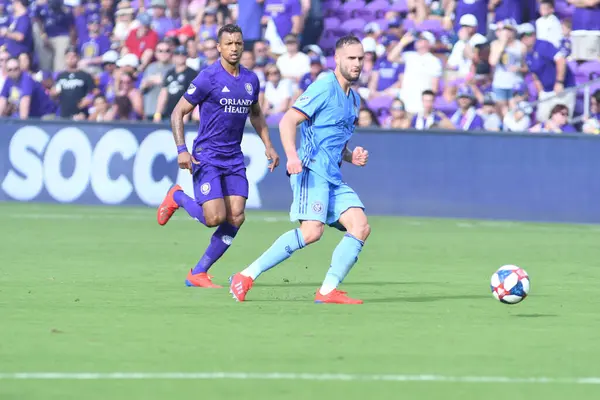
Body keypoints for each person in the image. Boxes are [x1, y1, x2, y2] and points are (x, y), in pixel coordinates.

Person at [229, 35, 371, 305]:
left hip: (333, 176)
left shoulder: (353, 100)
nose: (357, 64)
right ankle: (245, 276)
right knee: (311, 231)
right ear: (338, 59)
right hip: (310, 171)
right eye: (351, 58)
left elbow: (335, 142)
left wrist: (352, 156)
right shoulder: (324, 86)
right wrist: (292, 156)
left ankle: (328, 290)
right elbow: (288, 121)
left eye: (361, 58)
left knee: (360, 226)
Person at [156, 24, 280, 288]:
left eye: (238, 43)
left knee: (236, 216)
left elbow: (255, 113)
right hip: (207, 156)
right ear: (219, 48)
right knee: (213, 218)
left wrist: (268, 145)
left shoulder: (250, 80)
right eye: (229, 44)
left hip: (233, 157)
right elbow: (178, 112)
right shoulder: (207, 78)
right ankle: (176, 196)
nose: (234, 48)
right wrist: (182, 150)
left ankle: (198, 272)